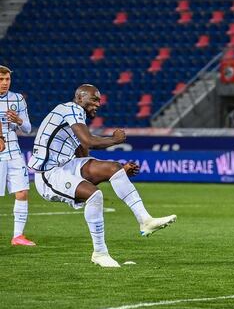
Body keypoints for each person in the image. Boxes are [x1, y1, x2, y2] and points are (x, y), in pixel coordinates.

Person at [27, 84, 176, 267]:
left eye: (99, 100)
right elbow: (89, 141)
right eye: (94, 99)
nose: (98, 104)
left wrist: (119, 172)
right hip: (48, 174)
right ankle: (100, 252)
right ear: (80, 98)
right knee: (94, 195)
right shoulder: (70, 109)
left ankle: (145, 220)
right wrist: (115, 139)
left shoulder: (74, 119)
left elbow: (84, 157)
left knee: (113, 168)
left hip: (66, 166)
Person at [0, 66, 35, 246]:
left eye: (7, 79)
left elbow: (28, 129)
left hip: (13, 151)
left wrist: (18, 121)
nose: (5, 83)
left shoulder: (18, 99)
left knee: (22, 192)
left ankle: (18, 236)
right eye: (1, 79)